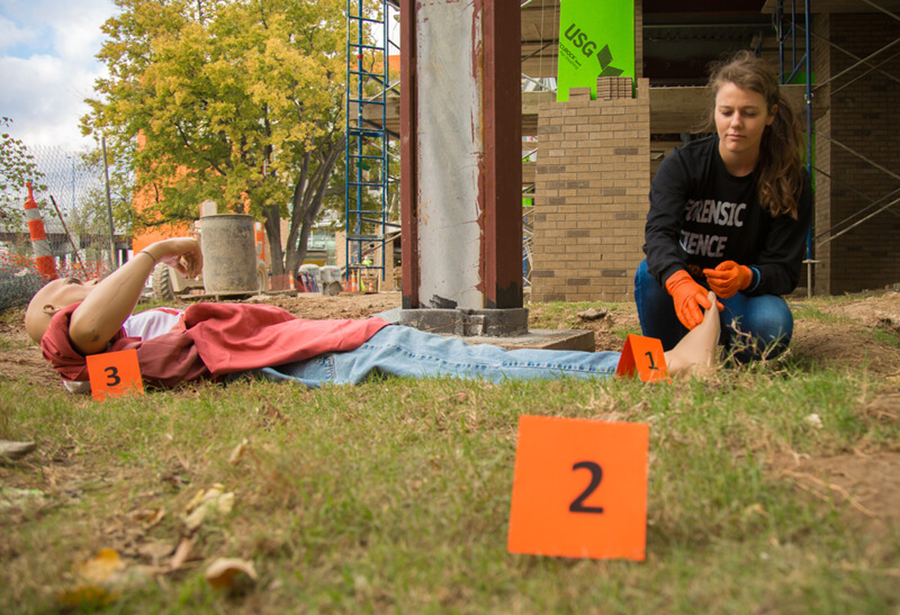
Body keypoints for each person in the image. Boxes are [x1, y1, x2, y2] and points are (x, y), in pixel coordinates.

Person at [26, 238, 721, 392]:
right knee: (478, 362)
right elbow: (84, 331)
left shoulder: (121, 339)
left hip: (317, 345)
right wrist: (148, 254)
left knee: (458, 343)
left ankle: (657, 360)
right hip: (323, 353)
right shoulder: (73, 340)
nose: (87, 285)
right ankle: (663, 364)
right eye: (66, 292)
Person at [634, 50, 812, 362]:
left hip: (741, 296)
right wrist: (679, 284)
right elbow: (658, 235)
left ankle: (730, 364)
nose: (736, 124)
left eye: (750, 113)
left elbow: (785, 270)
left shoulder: (792, 180)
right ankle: (665, 356)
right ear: (715, 111)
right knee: (650, 274)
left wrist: (747, 276)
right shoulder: (683, 164)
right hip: (685, 286)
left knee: (773, 322)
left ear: (770, 115)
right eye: (726, 112)